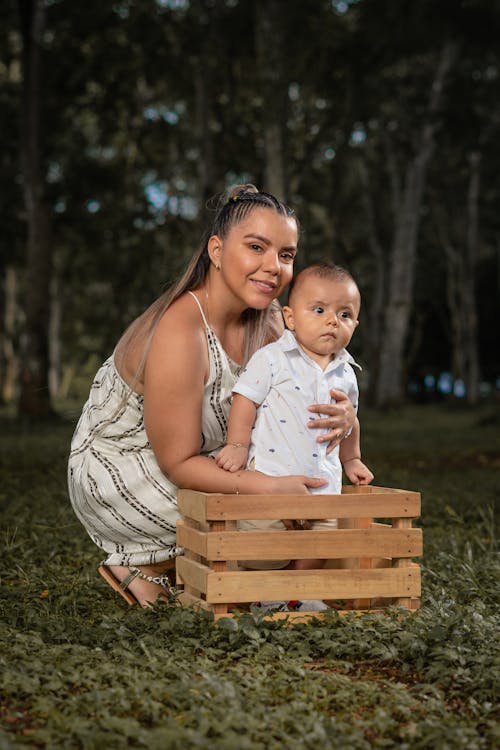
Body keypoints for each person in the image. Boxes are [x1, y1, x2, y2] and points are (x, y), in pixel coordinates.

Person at [68, 186, 357, 607]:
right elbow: (178, 462)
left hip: (214, 455)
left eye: (286, 255)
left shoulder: (275, 322)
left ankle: (206, 566)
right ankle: (142, 563)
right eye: (256, 247)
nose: (272, 267)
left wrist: (345, 414)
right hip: (128, 465)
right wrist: (264, 488)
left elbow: (317, 384)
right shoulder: (180, 330)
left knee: (293, 506)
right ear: (217, 251)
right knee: (254, 518)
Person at [216, 263, 373, 605]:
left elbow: (351, 420)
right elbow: (246, 400)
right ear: (290, 317)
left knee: (322, 544)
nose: (333, 321)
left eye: (345, 314)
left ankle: (290, 594)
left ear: (355, 324)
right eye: (319, 310)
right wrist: (238, 445)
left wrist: (353, 457)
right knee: (263, 547)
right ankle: (264, 587)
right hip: (272, 480)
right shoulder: (273, 359)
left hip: (324, 486)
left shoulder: (346, 373)